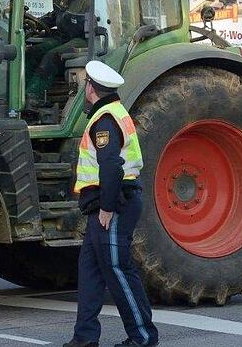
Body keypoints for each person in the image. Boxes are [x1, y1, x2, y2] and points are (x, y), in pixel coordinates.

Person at [65, 61, 159, 347]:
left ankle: (143, 337)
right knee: (90, 272)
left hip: (115, 203)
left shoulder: (105, 120)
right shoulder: (110, 114)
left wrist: (106, 208)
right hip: (103, 205)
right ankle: (84, 339)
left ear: (90, 88)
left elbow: (110, 167)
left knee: (119, 269)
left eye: (85, 86)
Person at [25, 0, 90, 106]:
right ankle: (22, 94)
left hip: (84, 39)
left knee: (52, 56)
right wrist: (38, 22)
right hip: (64, 37)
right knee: (31, 53)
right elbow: (56, 16)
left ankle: (34, 97)